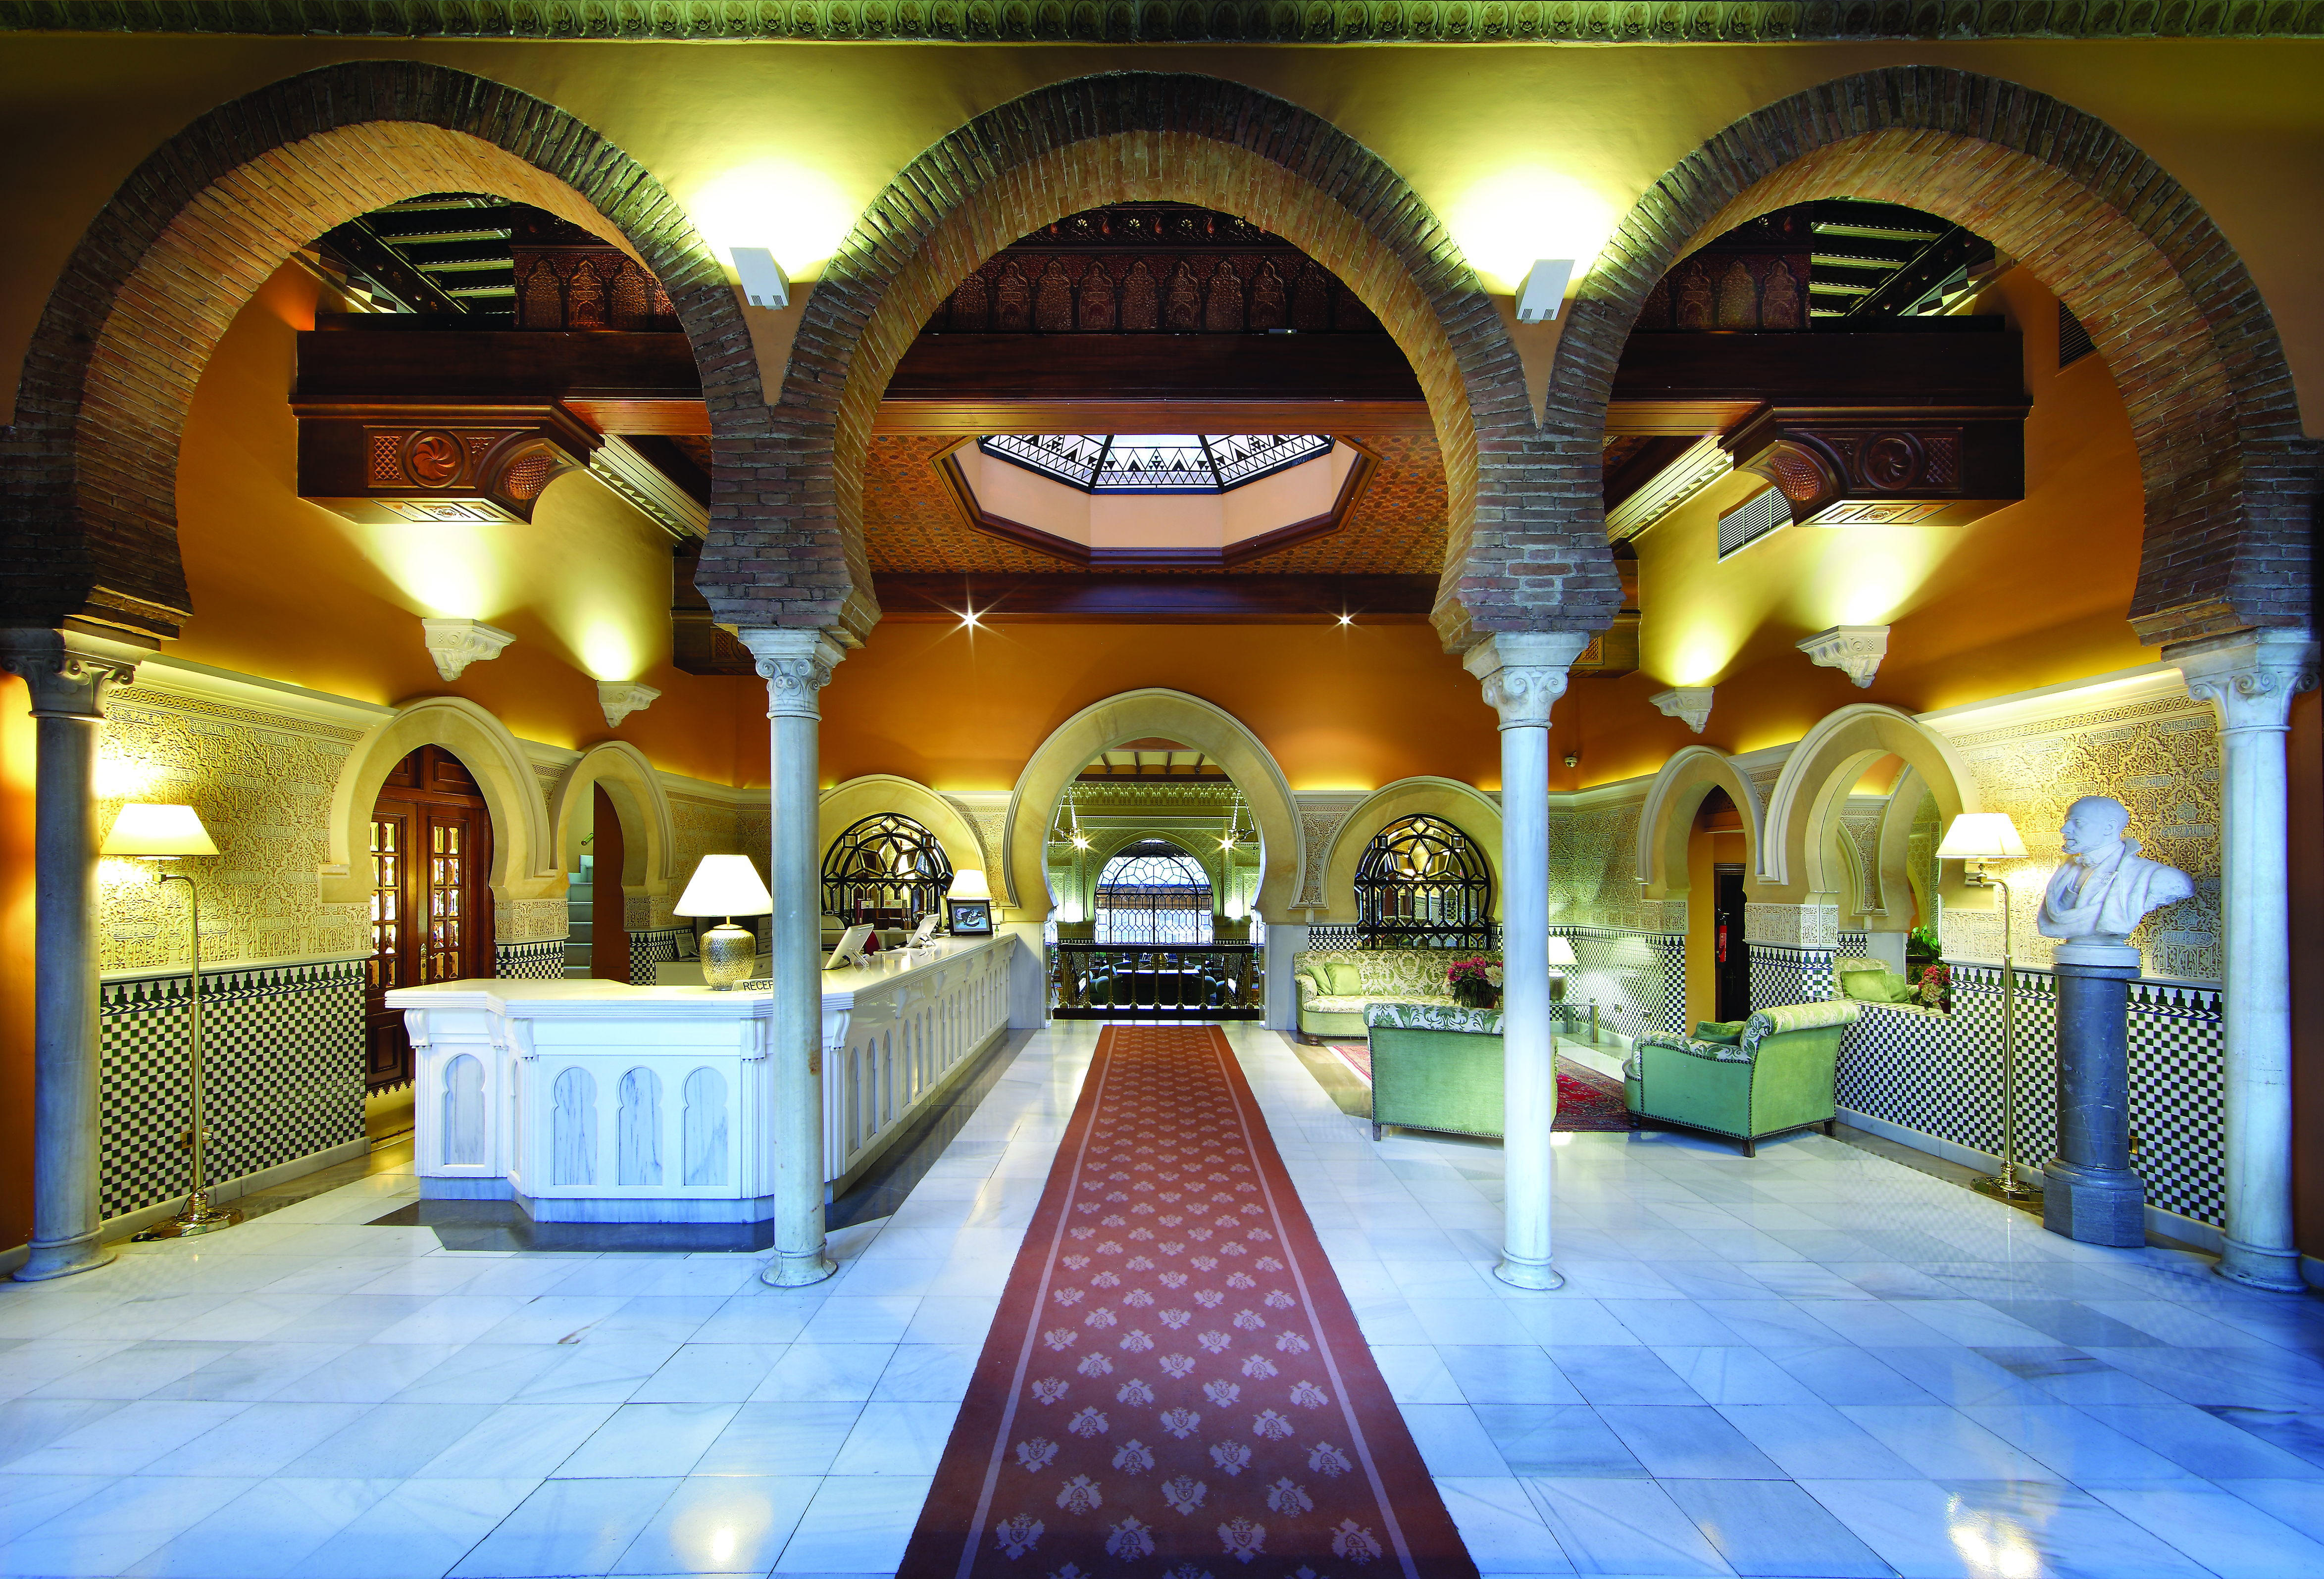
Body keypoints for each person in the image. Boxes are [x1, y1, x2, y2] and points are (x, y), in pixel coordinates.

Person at [2037, 795, 2194, 943]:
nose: (2064, 829)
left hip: (2109, 956)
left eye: (2078, 822)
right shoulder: (2066, 869)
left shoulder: (2158, 877)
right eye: (2067, 821)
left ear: (2109, 827)